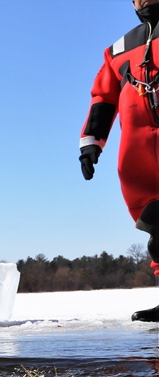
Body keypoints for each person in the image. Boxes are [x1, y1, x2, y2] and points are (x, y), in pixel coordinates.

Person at [80, 0, 159, 322]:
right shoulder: (118, 49)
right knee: (156, 224)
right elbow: (103, 97)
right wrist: (91, 143)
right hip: (137, 153)